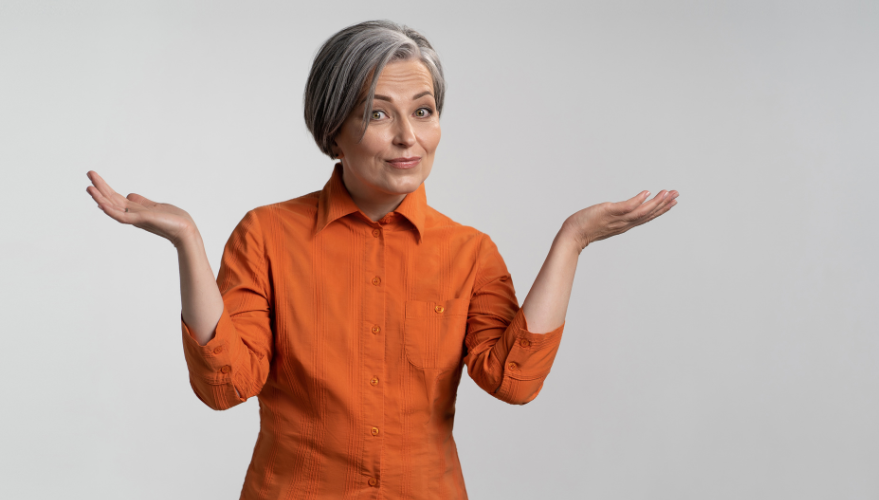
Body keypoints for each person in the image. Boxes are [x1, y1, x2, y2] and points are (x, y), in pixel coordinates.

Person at [86, 19, 678, 500]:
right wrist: (187, 237)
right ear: (332, 131)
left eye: (423, 111)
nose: (407, 138)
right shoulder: (265, 235)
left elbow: (512, 381)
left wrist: (572, 240)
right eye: (377, 113)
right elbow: (225, 386)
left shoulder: (469, 252)